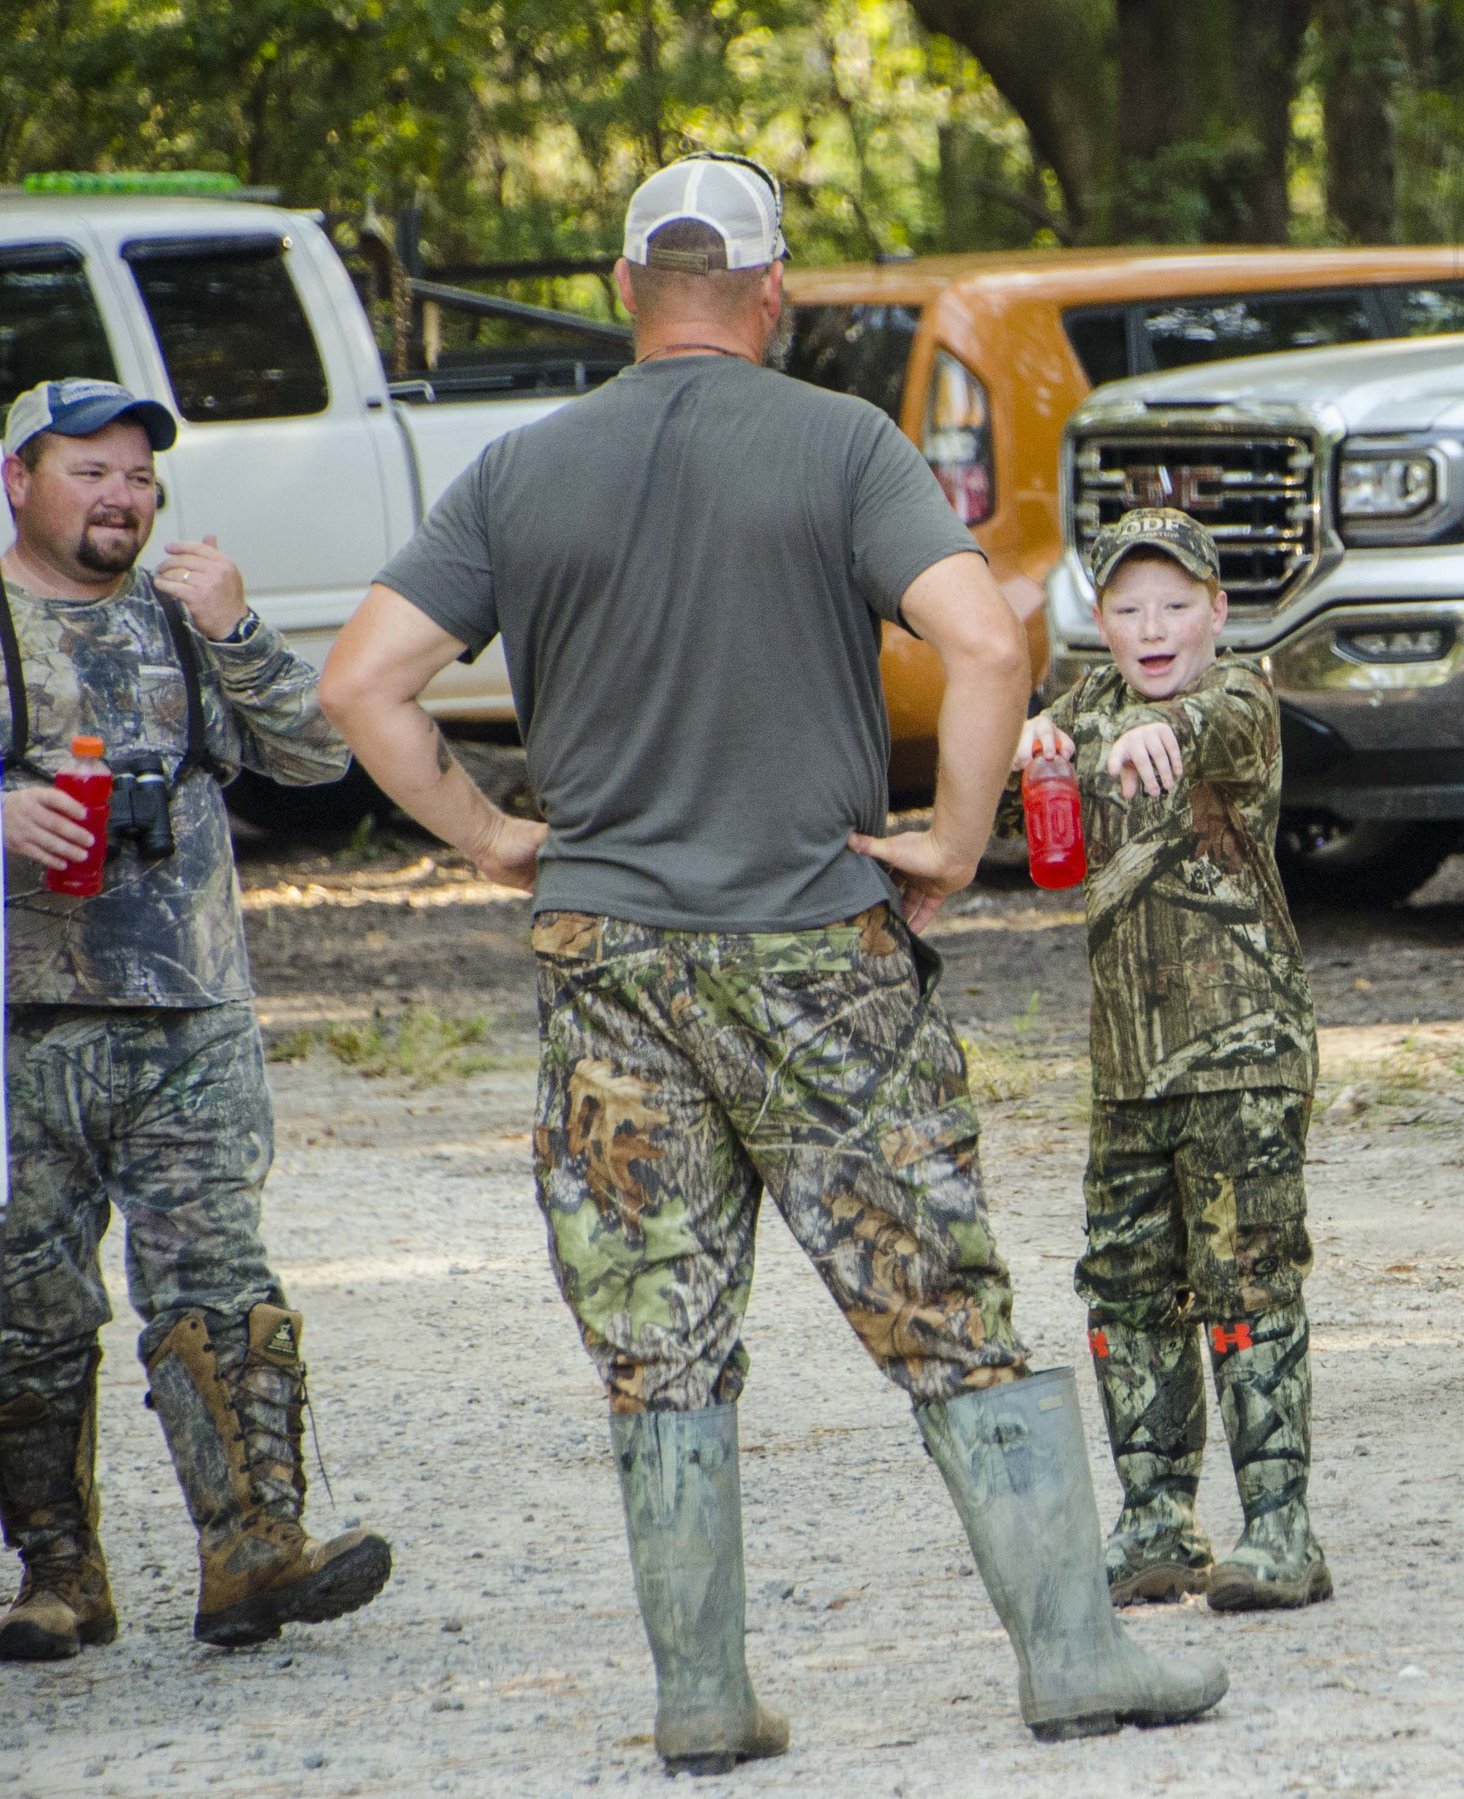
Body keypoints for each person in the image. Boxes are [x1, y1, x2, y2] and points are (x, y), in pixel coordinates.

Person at [317, 154, 1222, 1773]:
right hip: (815, 946)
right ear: (770, 289)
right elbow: (989, 638)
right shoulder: (840, 442)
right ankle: (1075, 1653)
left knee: (659, 1336)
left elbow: (367, 680)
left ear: (620, 289)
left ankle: (703, 1695)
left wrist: (488, 833)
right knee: (941, 1298)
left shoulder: (520, 470)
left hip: (609, 963)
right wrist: (950, 840)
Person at [0, 379, 392, 1659]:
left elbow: (320, 763)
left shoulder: (183, 622)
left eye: (138, 476)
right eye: (88, 471)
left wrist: (239, 630)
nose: (121, 496)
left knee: (217, 1286)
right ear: (18, 480)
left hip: (189, 1019)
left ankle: (252, 1551)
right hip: (18, 1030)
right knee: (27, 1309)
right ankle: (58, 1577)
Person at [1012, 508, 1328, 1613]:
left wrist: (1161, 735)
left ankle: (1281, 1527)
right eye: (1129, 608)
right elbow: (1046, 741)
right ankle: (1155, 1519)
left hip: (1240, 1052)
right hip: (1128, 1066)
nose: (1153, 628)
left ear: (1217, 613)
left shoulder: (1240, 696)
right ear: (1099, 619)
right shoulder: (1089, 701)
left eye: (1177, 605)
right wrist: (1037, 743)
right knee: (1126, 1282)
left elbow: (1202, 731)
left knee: (1247, 1279)